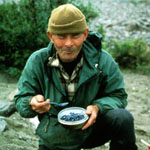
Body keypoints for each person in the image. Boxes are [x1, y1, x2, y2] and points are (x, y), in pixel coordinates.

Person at [14, 4, 138, 150]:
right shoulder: (37, 60)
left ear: (85, 34)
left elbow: (119, 96)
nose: (68, 43)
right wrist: (31, 103)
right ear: (51, 36)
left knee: (123, 118)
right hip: (55, 136)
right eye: (61, 36)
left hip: (91, 129)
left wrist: (98, 107)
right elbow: (21, 100)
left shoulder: (103, 60)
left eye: (75, 35)